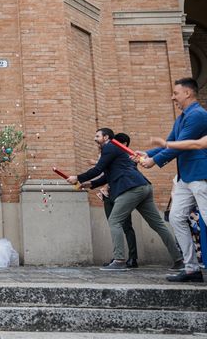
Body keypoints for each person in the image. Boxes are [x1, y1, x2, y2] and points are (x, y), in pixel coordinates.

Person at [66, 128, 182, 272]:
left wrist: (77, 177)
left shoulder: (109, 147)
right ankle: (179, 260)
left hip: (130, 188)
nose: (95, 139)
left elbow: (97, 169)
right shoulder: (114, 150)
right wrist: (90, 184)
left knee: (114, 221)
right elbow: (109, 174)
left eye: (97, 136)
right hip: (143, 186)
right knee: (158, 224)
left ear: (106, 137)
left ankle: (119, 260)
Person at [145, 78, 207, 282]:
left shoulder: (198, 115)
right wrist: (145, 153)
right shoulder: (181, 118)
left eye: (176, 93)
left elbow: (179, 144)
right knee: (176, 217)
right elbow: (169, 142)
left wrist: (154, 160)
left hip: (199, 174)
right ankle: (192, 269)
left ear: (188, 93)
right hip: (185, 177)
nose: (173, 97)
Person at [99, 132, 138, 268]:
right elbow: (107, 174)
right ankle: (117, 256)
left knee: (127, 226)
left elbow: (124, 174)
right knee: (113, 225)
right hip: (108, 196)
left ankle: (133, 258)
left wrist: (107, 185)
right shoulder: (111, 154)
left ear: (124, 144)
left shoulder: (128, 157)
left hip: (122, 195)